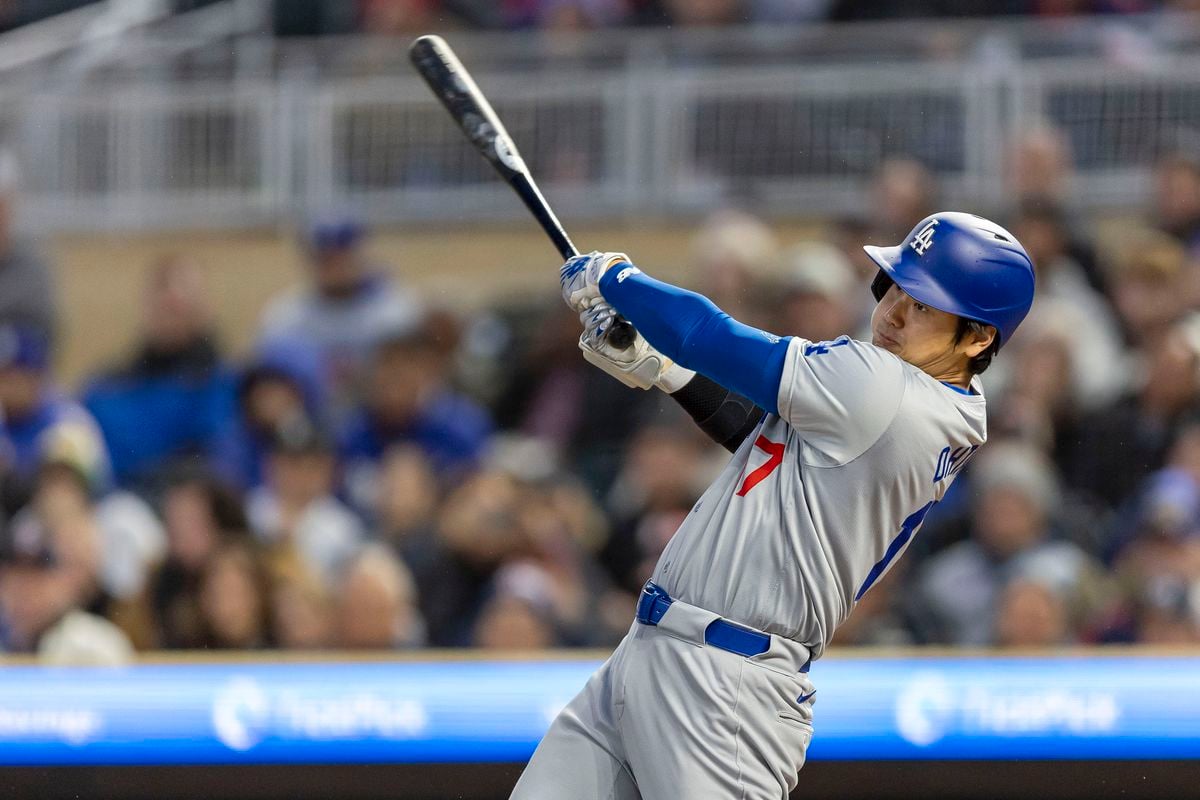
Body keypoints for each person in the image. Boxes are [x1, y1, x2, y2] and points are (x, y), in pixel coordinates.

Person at [511, 211, 1035, 799]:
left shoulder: (886, 389)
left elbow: (709, 336)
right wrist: (666, 373)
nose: (891, 311)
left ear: (979, 336)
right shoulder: (935, 401)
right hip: (660, 655)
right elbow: (767, 445)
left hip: (727, 690)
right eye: (893, 286)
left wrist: (616, 279)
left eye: (923, 304)